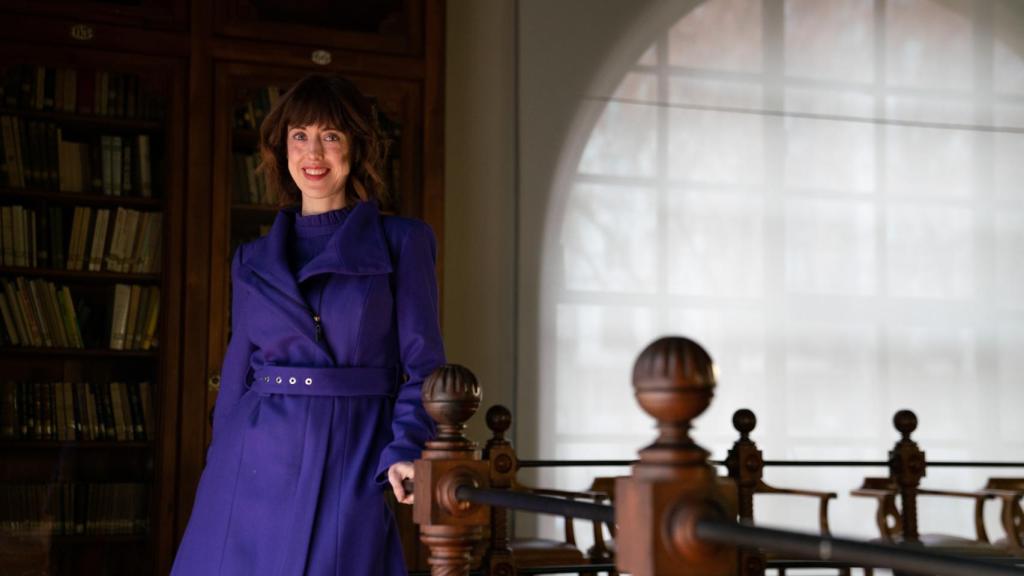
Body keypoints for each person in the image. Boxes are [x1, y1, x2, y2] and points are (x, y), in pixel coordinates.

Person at [171, 73, 443, 575]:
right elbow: (237, 376)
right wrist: (219, 466)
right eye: (300, 136)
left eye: (331, 136)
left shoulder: (403, 241)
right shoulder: (251, 258)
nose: (313, 152)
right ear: (283, 148)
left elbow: (425, 365)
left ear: (357, 147)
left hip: (352, 455)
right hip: (249, 465)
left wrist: (404, 449)